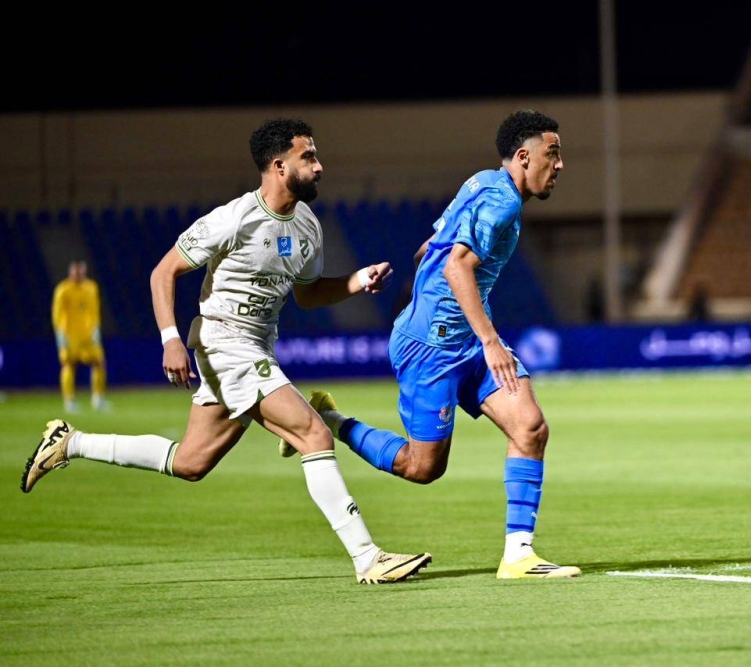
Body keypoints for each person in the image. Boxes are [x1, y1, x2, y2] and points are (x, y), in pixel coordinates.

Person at [21, 118, 431, 585]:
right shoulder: (234, 218)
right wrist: (170, 338)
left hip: (256, 347)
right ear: (279, 166)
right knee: (313, 435)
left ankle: (70, 442)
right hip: (224, 344)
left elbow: (308, 293)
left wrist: (357, 280)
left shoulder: (308, 225)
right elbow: (163, 273)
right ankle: (367, 558)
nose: (319, 166)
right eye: (308, 157)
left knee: (191, 462)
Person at [279, 109, 580, 579]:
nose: (559, 164)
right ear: (524, 156)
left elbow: (429, 248)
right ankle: (331, 420)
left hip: (462, 340)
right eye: (552, 153)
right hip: (431, 348)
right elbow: (455, 266)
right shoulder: (500, 202)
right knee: (422, 468)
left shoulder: (481, 182)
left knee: (530, 428)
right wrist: (489, 340)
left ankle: (519, 556)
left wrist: (432, 301)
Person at [51, 260, 109, 412]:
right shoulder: (63, 290)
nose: (78, 274)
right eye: (75, 271)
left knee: (99, 363)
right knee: (68, 365)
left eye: (80, 271)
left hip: (88, 336)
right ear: (70, 272)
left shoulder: (91, 287)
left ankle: (98, 399)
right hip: (70, 336)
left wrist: (96, 329)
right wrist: (60, 335)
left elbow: (95, 310)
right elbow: (57, 314)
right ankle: (69, 400)